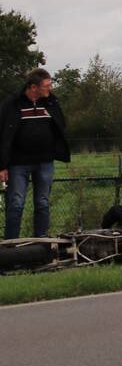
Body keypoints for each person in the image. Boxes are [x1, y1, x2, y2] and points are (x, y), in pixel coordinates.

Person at [0, 68, 70, 239]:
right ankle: (11, 245)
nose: (50, 88)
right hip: (18, 163)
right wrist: (2, 165)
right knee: (16, 203)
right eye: (47, 85)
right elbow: (2, 135)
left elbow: (61, 125)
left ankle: (42, 242)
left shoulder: (51, 103)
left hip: (45, 162)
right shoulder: (12, 104)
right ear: (33, 87)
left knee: (43, 203)